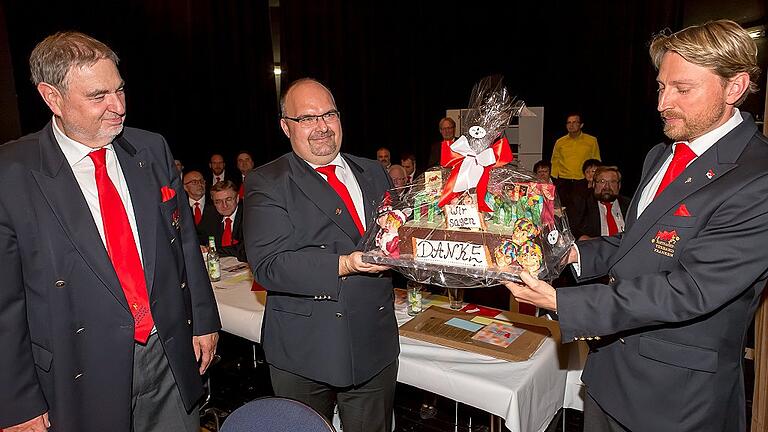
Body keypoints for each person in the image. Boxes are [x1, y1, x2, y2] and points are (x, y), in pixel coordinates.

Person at [505, 20, 767, 432]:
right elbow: (639, 244)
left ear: (734, 87)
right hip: (609, 375)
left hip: (677, 400)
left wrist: (566, 303)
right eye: (662, 87)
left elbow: (691, 288)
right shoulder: (661, 155)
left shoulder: (758, 177)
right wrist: (575, 253)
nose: (663, 103)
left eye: (682, 89)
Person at [0, 31, 220, 432]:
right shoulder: (11, 174)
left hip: (166, 353)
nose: (118, 106)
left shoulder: (150, 149)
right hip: (78, 367)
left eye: (120, 90)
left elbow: (184, 243)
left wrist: (203, 320)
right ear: (52, 98)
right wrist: (15, 402)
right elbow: (5, 303)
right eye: (98, 96)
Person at [244, 78, 399, 432]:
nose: (322, 127)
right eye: (307, 118)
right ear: (286, 126)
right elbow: (269, 266)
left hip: (374, 346)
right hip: (303, 352)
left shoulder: (373, 172)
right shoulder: (267, 181)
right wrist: (345, 264)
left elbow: (396, 238)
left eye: (329, 114)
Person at [550, 113, 601, 209]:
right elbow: (555, 160)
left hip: (582, 180)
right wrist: (554, 180)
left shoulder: (591, 141)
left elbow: (596, 160)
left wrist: (594, 179)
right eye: (568, 123)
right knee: (563, 208)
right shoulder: (560, 142)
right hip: (564, 181)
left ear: (581, 125)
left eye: (574, 122)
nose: (571, 125)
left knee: (582, 208)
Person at [569, 166, 630, 240]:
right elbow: (571, 229)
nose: (607, 187)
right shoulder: (581, 203)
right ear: (594, 184)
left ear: (619, 186)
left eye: (612, 182)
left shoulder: (629, 205)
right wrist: (582, 237)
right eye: (602, 181)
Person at [199, 180, 247, 262]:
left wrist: (213, 250)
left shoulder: (248, 214)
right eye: (218, 201)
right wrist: (200, 246)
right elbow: (199, 236)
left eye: (228, 199)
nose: (224, 205)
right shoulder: (210, 213)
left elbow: (243, 250)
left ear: (237, 198)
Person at [183, 170, 219, 244]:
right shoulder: (181, 207)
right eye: (194, 182)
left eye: (201, 181)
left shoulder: (216, 204)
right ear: (185, 187)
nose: (200, 184)